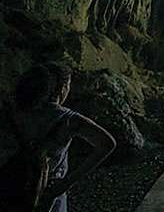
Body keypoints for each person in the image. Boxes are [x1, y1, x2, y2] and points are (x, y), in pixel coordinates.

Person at [1, 62, 115, 212]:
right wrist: (66, 183)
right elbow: (108, 144)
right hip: (48, 195)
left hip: (8, 190)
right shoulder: (68, 119)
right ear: (62, 88)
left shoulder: (9, 113)